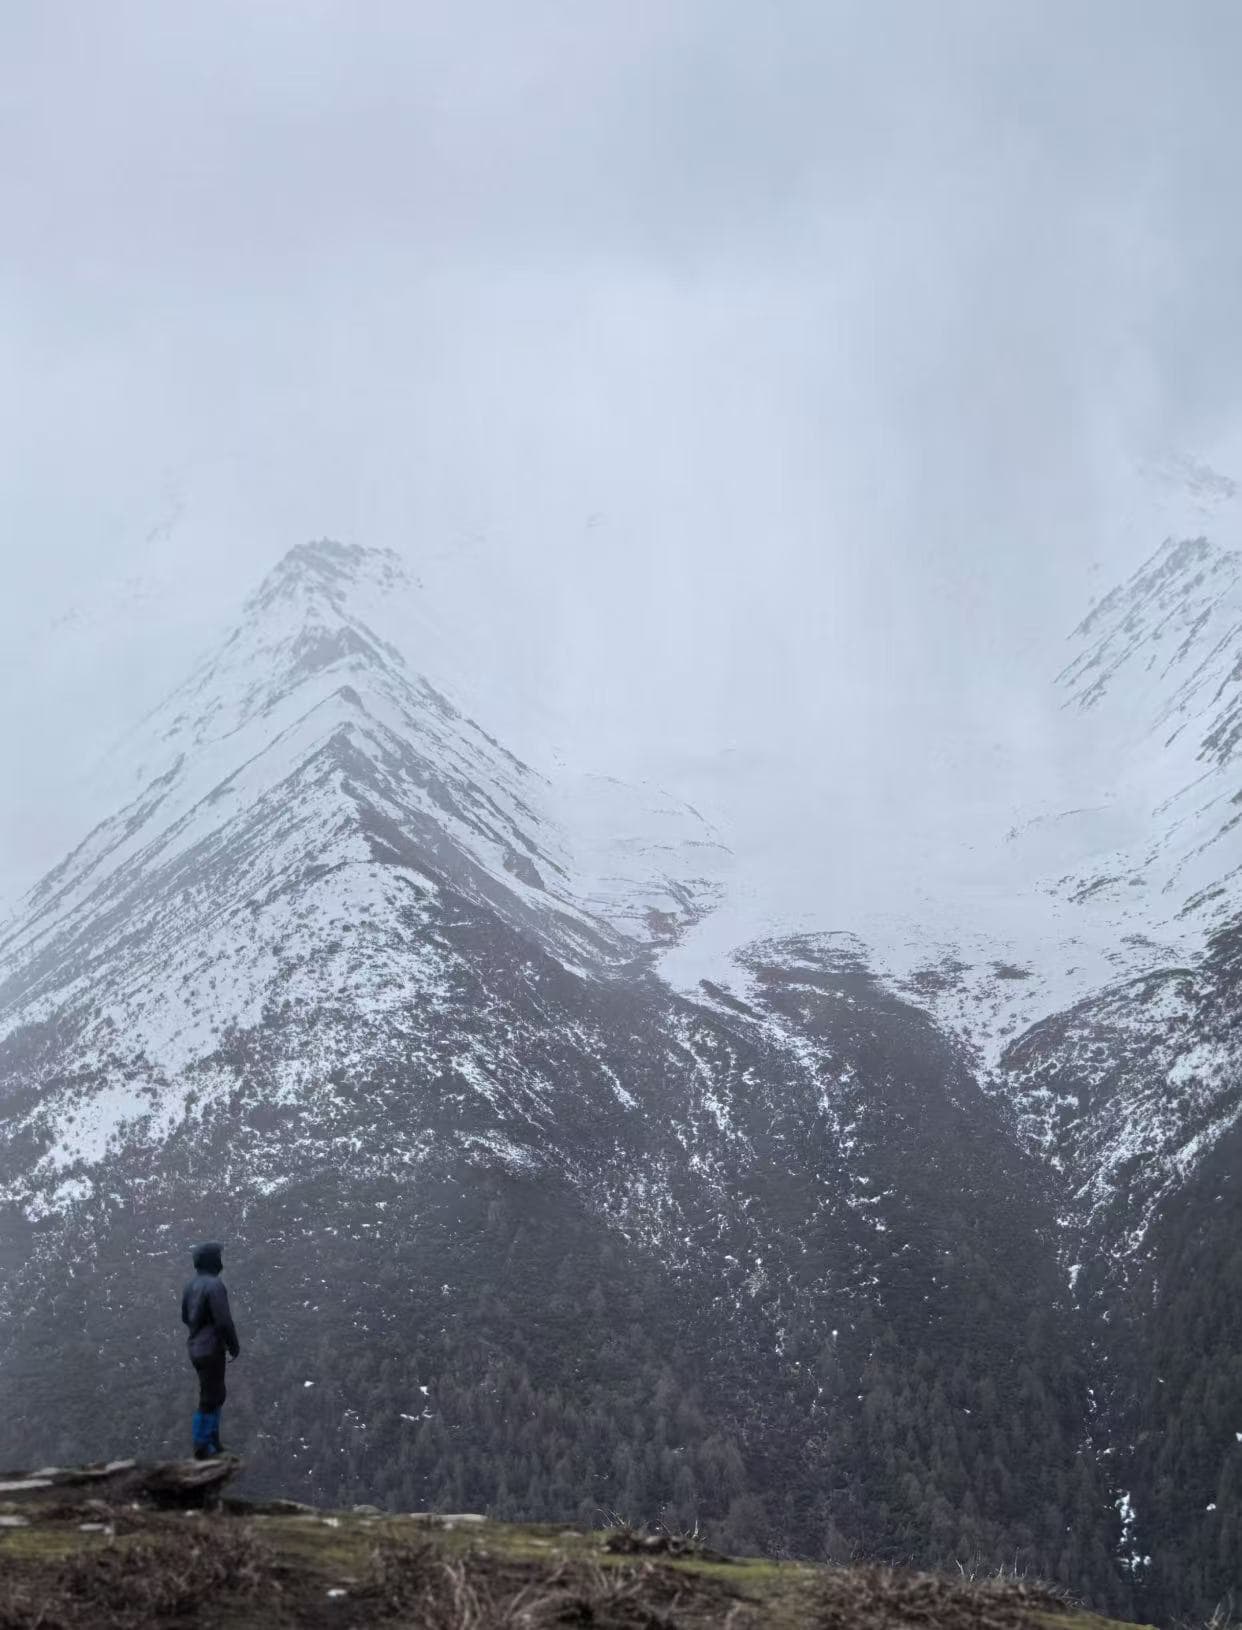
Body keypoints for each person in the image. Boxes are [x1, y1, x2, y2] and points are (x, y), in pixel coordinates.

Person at [181, 1241, 241, 1459]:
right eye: (218, 1257)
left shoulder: (191, 1286)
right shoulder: (214, 1285)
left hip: (195, 1347)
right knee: (211, 1396)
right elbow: (224, 1320)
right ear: (212, 1260)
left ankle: (211, 1440)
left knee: (213, 1393)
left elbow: (185, 1317)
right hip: (211, 1347)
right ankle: (203, 1444)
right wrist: (233, 1345)